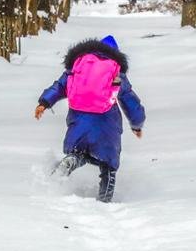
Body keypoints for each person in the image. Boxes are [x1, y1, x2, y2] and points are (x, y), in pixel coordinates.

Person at [35, 36, 146, 203]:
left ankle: (71, 161)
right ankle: (104, 200)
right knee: (108, 165)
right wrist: (137, 125)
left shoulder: (78, 65)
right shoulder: (116, 72)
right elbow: (131, 102)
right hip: (107, 124)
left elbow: (59, 86)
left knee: (79, 152)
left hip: (78, 120)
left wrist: (44, 102)